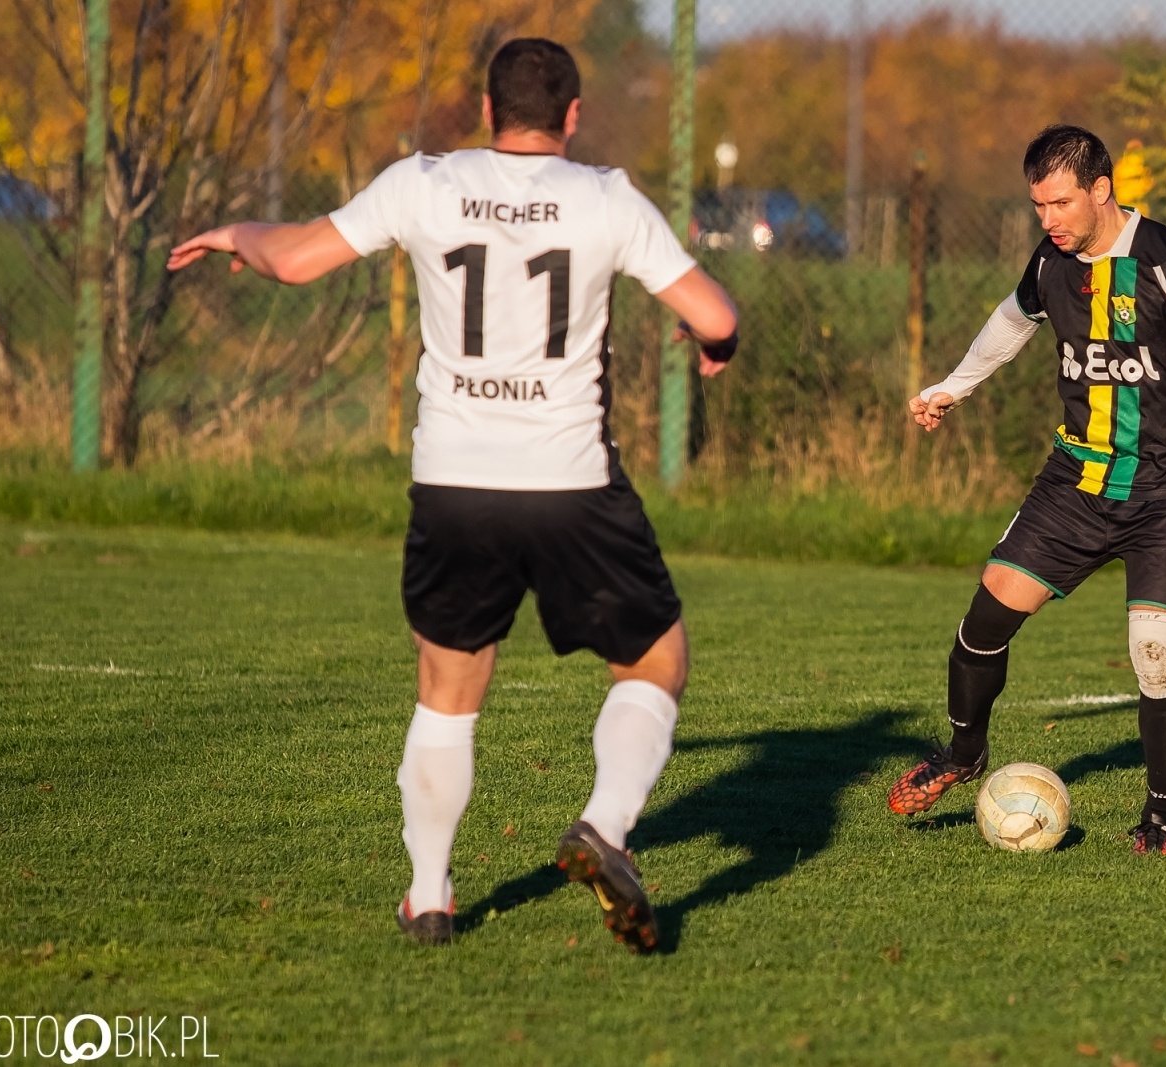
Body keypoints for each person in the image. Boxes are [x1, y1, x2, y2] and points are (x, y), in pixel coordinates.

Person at [168, 38, 739, 949]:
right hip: (568, 481)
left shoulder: (424, 182)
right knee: (654, 660)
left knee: (448, 688)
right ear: (574, 116)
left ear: (485, 110)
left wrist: (238, 234)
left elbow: (301, 258)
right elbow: (715, 314)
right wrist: (716, 344)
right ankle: (607, 824)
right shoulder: (605, 197)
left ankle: (429, 895)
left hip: (453, 479)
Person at [887, 124, 1166, 855]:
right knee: (984, 620)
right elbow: (1012, 319)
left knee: (1155, 654)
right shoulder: (1053, 262)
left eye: (1060, 203)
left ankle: (1163, 816)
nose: (1048, 221)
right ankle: (963, 754)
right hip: (1076, 482)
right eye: (1037, 206)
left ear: (1102, 191)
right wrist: (954, 387)